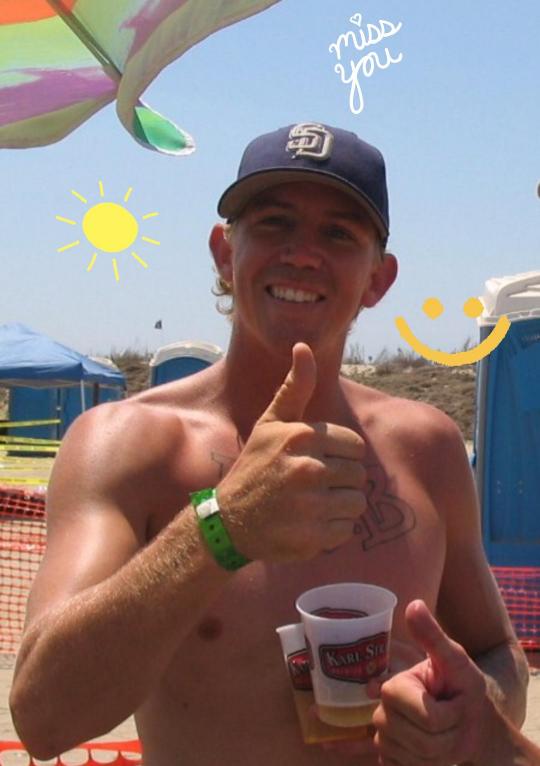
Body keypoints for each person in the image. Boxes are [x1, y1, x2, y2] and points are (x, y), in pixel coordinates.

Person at [9, 122, 538, 766]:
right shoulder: (128, 445)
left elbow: (498, 655)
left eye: (338, 234)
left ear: (379, 279)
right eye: (273, 223)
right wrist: (220, 528)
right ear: (223, 253)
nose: (303, 254)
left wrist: (468, 711)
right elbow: (42, 717)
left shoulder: (427, 448)